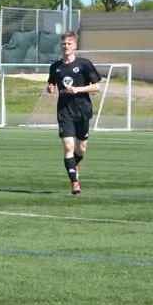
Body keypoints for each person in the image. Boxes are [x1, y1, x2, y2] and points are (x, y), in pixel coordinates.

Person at [46, 31, 102, 195]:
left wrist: (78, 89)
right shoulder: (55, 67)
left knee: (81, 149)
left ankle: (74, 164)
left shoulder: (85, 64)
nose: (66, 46)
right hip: (64, 111)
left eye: (69, 43)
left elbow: (97, 86)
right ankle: (74, 183)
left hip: (82, 109)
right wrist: (50, 89)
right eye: (64, 43)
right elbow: (51, 86)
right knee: (68, 146)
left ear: (75, 46)